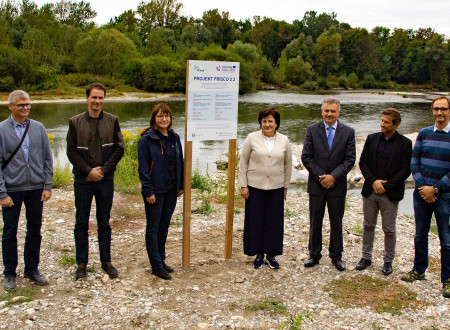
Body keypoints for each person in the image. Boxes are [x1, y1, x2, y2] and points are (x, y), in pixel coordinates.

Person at [67, 83, 124, 280]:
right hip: (82, 180)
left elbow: (119, 148)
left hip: (105, 179)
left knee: (104, 221)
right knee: (81, 222)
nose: (97, 101)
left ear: (104, 99)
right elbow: (71, 151)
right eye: (94, 98)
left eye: (101, 98)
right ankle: (81, 263)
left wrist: (104, 169)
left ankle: (106, 261)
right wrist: (88, 171)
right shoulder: (74, 122)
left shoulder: (112, 120)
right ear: (87, 98)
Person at [0, 90, 53, 290]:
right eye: (21, 105)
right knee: (10, 231)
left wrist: (47, 185)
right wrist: (2, 193)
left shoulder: (38, 128)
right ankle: (10, 273)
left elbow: (48, 158)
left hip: (35, 188)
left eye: (28, 104)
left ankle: (32, 269)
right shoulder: (2, 130)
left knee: (34, 230)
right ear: (11, 107)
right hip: (12, 189)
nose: (25, 108)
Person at [401, 96, 450, 299]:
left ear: (449, 111)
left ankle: (447, 280)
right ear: (432, 110)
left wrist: (436, 189)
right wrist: (423, 188)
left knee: (446, 239)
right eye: (436, 109)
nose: (439, 113)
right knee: (420, 235)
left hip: (445, 195)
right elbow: (414, 162)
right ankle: (419, 270)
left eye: (443, 109)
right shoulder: (423, 133)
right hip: (421, 194)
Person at [301, 97, 356, 271]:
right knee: (315, 221)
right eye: (327, 111)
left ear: (339, 112)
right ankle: (314, 255)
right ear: (322, 112)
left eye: (333, 111)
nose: (329, 114)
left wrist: (333, 177)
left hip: (337, 185)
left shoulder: (348, 132)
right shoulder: (312, 130)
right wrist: (322, 176)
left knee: (336, 222)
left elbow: (350, 159)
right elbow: (306, 157)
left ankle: (336, 256)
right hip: (317, 185)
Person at [356, 108, 412, 275]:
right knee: (368, 225)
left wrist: (385, 186)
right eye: (381, 121)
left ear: (396, 124)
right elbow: (363, 162)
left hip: (390, 192)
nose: (382, 124)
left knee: (389, 228)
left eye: (386, 122)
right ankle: (366, 257)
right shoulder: (372, 139)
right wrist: (373, 182)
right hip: (371, 190)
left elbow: (405, 170)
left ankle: (388, 261)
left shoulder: (405, 143)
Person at [238, 107, 292, 269]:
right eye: (264, 121)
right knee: (255, 221)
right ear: (260, 122)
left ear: (277, 123)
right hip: (254, 186)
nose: (267, 124)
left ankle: (271, 255)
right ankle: (258, 254)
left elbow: (288, 165)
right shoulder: (251, 138)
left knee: (274, 222)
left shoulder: (284, 140)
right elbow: (243, 163)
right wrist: (243, 185)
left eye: (270, 121)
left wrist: (285, 187)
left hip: (276, 187)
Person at [138, 103, 184, 280]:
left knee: (164, 226)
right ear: (153, 119)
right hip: (155, 192)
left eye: (167, 116)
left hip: (171, 190)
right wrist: (148, 191)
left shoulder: (174, 137)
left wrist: (181, 185)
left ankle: (161, 259)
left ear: (170, 118)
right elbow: (143, 169)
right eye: (160, 116)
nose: (164, 119)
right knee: (153, 227)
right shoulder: (146, 140)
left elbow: (179, 161)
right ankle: (156, 265)